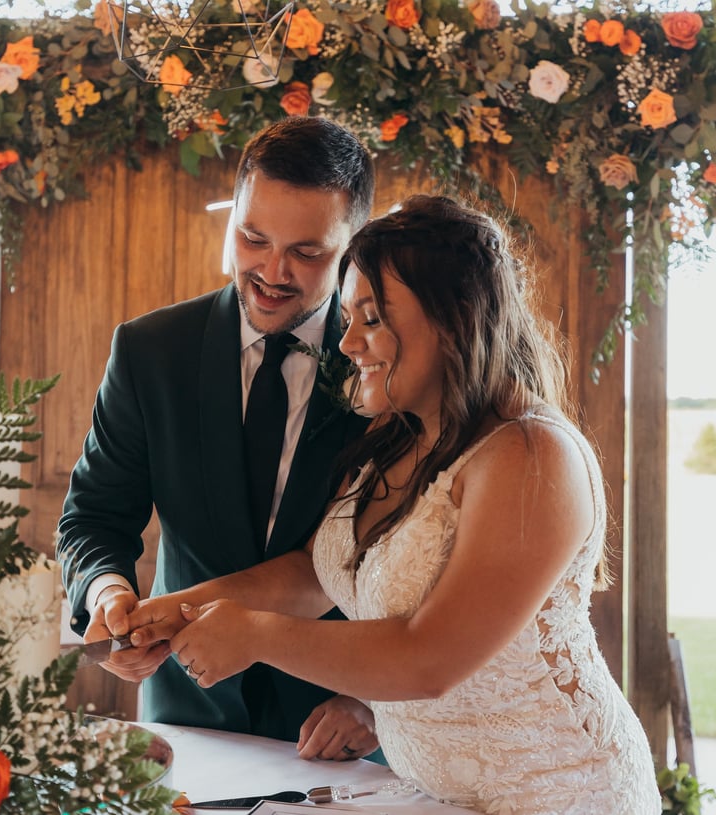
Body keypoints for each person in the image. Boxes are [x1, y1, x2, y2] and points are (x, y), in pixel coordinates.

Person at [127, 195, 660, 813]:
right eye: (350, 316)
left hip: (554, 791)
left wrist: (257, 636)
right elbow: (317, 575)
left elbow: (429, 658)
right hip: (437, 794)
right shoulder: (404, 432)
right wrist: (175, 611)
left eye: (373, 318)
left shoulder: (532, 455)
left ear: (454, 318)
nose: (349, 342)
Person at [56, 116, 380, 760]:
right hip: (187, 717)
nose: (272, 271)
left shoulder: (386, 364)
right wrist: (109, 592)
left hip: (340, 727)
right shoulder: (149, 351)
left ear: (354, 246)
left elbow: (418, 575)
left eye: (307, 253)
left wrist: (373, 699)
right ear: (230, 215)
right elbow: (93, 518)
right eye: (253, 237)